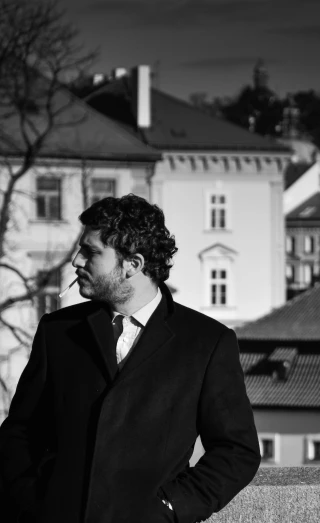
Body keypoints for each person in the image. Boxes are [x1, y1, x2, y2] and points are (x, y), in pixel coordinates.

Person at [0, 194, 261, 522]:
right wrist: (33, 501)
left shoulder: (206, 342)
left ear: (132, 265)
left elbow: (237, 452)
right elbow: (20, 432)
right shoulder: (58, 331)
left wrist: (172, 507)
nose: (77, 262)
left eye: (91, 252)